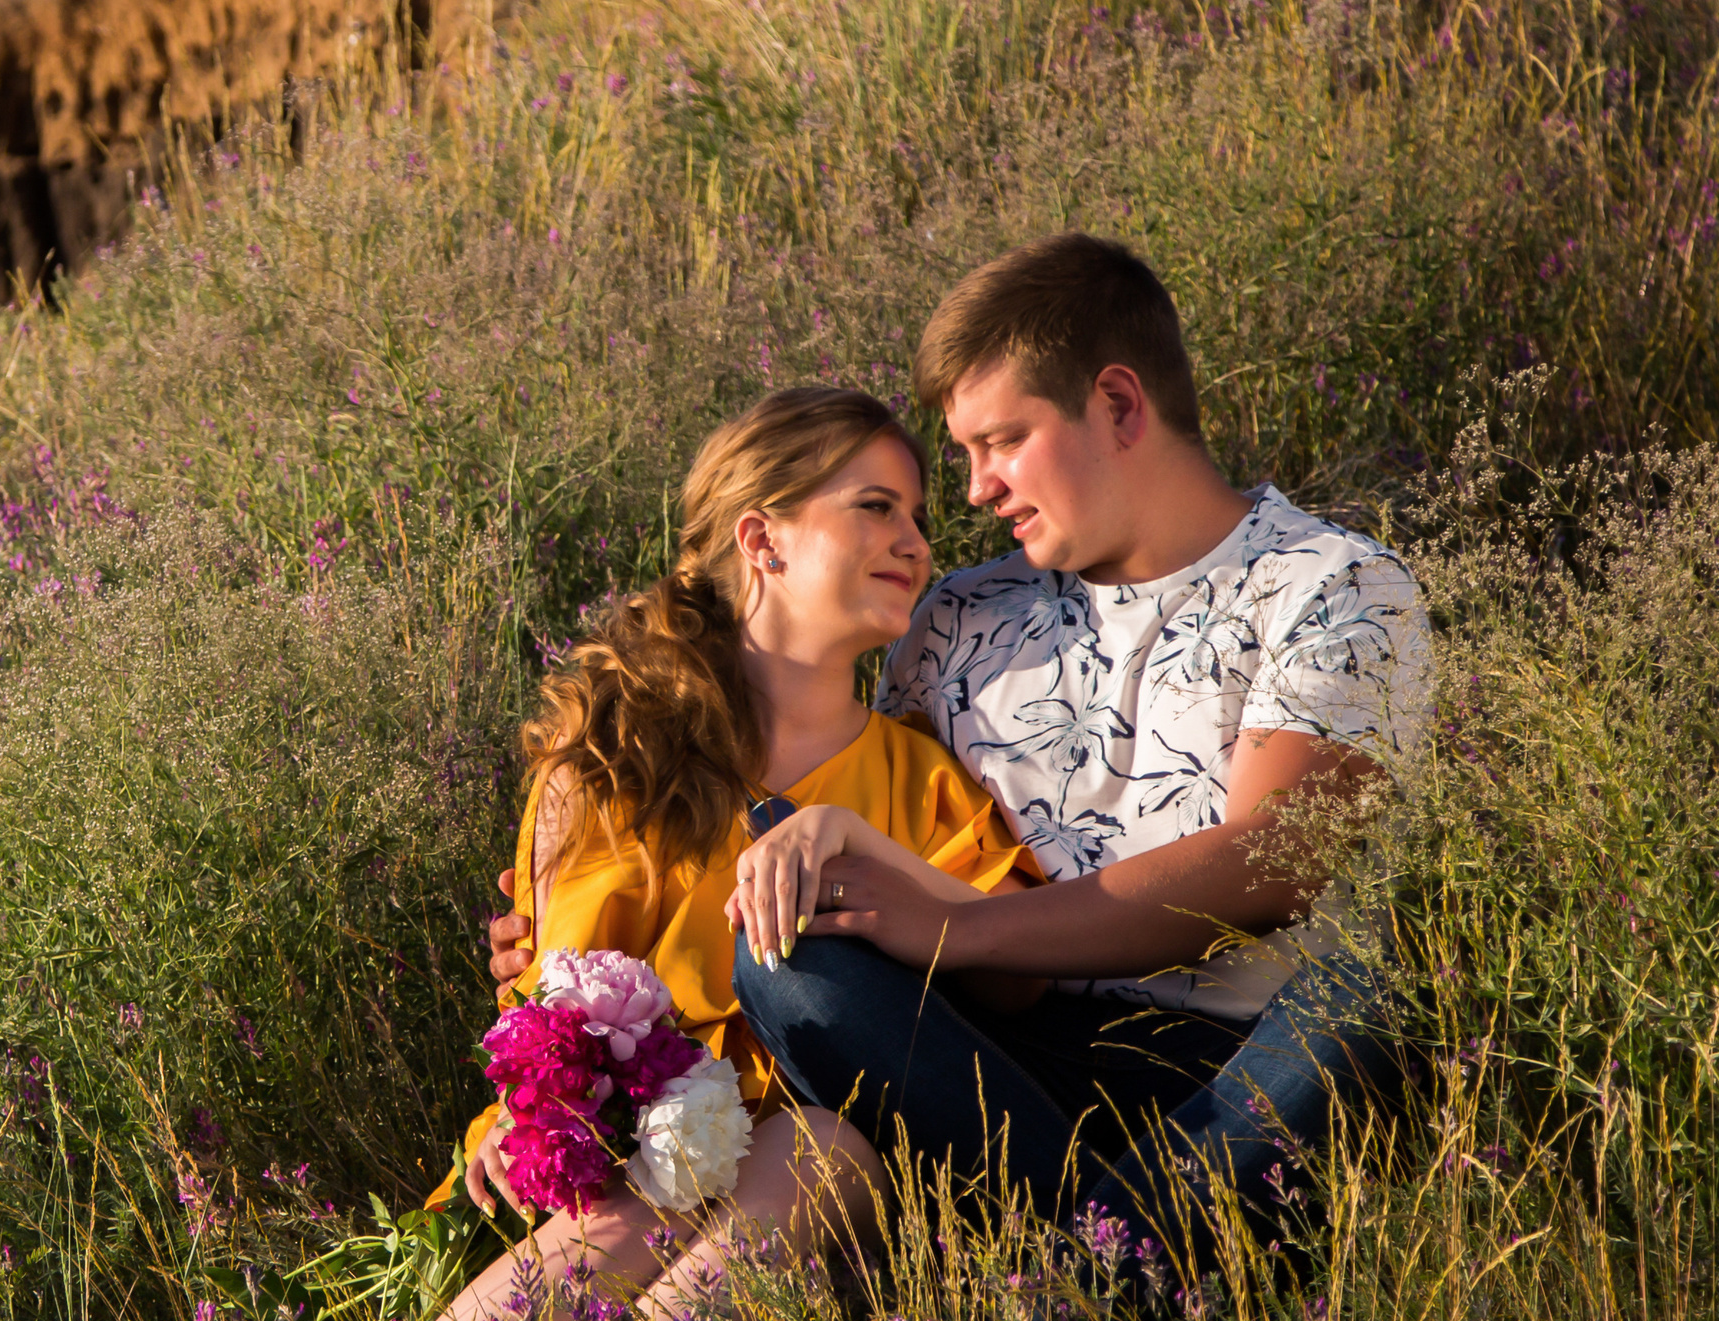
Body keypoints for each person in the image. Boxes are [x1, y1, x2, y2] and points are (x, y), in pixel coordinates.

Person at [493, 233, 1433, 1256]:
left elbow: (1273, 856)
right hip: (986, 1068)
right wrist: (568, 930)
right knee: (789, 957)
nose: (977, 490)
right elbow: (858, 806)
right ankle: (1135, 1268)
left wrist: (962, 929)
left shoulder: (1325, 582)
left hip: (1230, 1066)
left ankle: (1081, 1279)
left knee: (1366, 1002)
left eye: (1002, 441)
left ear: (1118, 405)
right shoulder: (957, 618)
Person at [365, 386, 1036, 1321]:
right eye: (874, 507)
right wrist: (524, 1107)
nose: (915, 542)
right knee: (648, 1192)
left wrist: (858, 848)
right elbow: (557, 1001)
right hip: (625, 1173)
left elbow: (1019, 963)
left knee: (810, 1145)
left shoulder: (916, 778)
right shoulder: (614, 757)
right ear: (760, 537)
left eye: (917, 516)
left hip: (848, 1181)